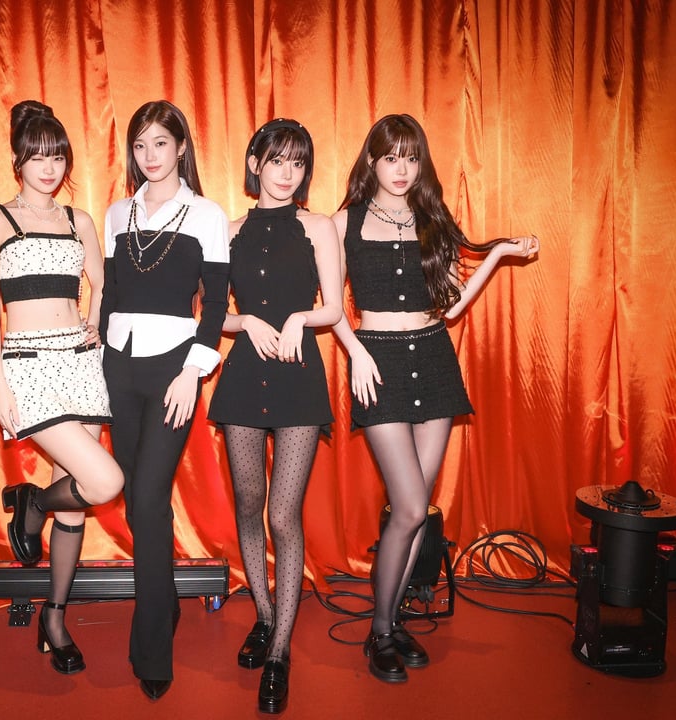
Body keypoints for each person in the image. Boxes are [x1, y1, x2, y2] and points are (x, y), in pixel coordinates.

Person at [331, 113, 539, 684]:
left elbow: (450, 307)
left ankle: (391, 623)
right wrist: (356, 353)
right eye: (390, 156)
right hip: (377, 361)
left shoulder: (432, 216)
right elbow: (327, 302)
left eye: (411, 157)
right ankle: (380, 630)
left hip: (434, 357)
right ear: (371, 161)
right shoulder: (345, 221)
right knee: (409, 507)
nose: (401, 168)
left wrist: (496, 255)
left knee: (417, 509)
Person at [0, 100, 124, 676]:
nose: (48, 167)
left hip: (82, 362)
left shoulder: (78, 219)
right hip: (29, 364)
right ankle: (32, 503)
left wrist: (96, 320)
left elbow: (103, 284)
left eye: (57, 156)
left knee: (77, 504)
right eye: (37, 156)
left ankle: (54, 617)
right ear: (18, 160)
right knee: (104, 481)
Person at [207, 118, 343, 714]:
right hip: (243, 375)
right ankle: (263, 616)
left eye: (298, 162)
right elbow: (209, 314)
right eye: (277, 160)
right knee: (248, 502)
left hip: (297, 375)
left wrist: (297, 318)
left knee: (283, 515)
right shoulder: (228, 231)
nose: (287, 173)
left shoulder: (319, 227)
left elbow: (334, 308)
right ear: (254, 163)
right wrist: (246, 323)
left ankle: (280, 650)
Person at [99, 100, 229, 701]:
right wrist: (101, 361)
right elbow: (109, 297)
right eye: (140, 145)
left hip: (175, 368)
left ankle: (152, 650)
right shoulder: (116, 213)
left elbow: (217, 305)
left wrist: (192, 372)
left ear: (180, 147)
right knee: (139, 501)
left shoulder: (206, 214)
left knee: (149, 496)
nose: (149, 155)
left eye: (160, 143)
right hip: (118, 366)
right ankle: (166, 600)